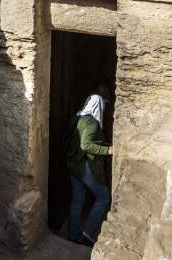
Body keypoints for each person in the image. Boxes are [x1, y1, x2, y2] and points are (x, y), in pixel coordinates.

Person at [65, 89, 113, 247]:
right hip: (86, 167)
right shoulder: (92, 122)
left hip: (73, 166)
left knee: (77, 201)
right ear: (98, 106)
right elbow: (85, 144)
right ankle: (88, 233)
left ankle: (72, 235)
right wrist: (107, 150)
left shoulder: (77, 118)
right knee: (103, 197)